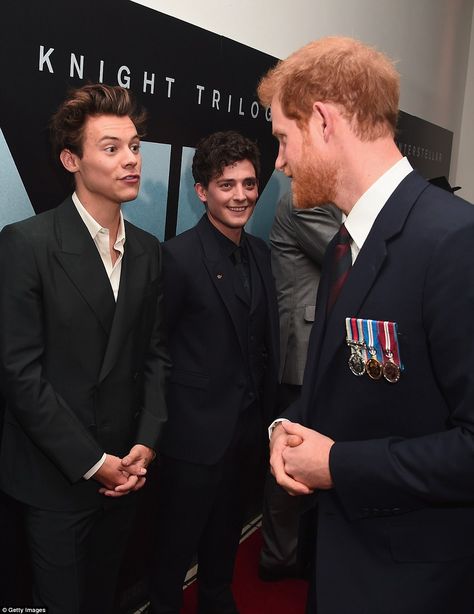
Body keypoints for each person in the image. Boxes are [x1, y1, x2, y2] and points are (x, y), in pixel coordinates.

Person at [257, 36, 474, 614]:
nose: (279, 161)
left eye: (283, 137)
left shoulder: (454, 243)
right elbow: (340, 385)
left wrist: (336, 466)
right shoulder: (343, 246)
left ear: (323, 121)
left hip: (414, 584)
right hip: (342, 562)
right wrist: (286, 425)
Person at [0, 83, 170, 614]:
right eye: (112, 147)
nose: (131, 161)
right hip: (59, 477)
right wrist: (93, 462)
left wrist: (146, 442)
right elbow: (19, 374)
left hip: (125, 473)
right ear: (71, 159)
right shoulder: (27, 244)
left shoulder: (148, 251)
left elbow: (156, 356)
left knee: (103, 598)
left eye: (136, 146)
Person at [149, 130, 279, 614]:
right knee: (172, 552)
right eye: (227, 185)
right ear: (202, 191)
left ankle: (217, 601)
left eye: (248, 183)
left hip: (245, 434)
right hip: (192, 439)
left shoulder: (262, 254)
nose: (241, 195)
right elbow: (155, 350)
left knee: (224, 543)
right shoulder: (178, 258)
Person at [259, 191, 340, 580]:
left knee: (309, 458)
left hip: (321, 347)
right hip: (302, 350)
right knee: (288, 459)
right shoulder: (303, 198)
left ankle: (297, 553)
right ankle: (279, 558)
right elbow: (348, 255)